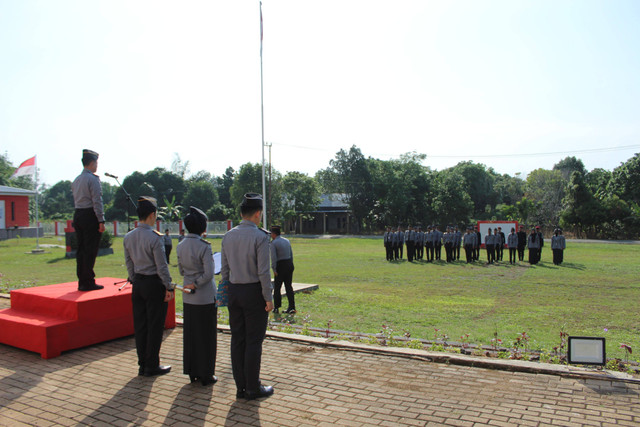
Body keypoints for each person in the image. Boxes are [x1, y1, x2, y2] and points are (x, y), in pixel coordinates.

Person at [221, 193, 274, 400]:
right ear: (257, 214)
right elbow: (263, 272)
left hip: (234, 290)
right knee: (253, 341)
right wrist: (268, 297)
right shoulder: (260, 237)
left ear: (242, 213)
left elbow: (224, 270)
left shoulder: (228, 236)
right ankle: (253, 386)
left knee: (238, 340)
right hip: (253, 293)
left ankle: (241, 386)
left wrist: (225, 295)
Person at [123, 197, 174, 377]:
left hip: (138, 283)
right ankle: (152, 364)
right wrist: (169, 286)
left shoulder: (128, 237)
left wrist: (134, 279)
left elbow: (129, 263)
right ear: (152, 215)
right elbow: (162, 266)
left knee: (141, 325)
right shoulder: (155, 238)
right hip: (154, 283)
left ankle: (142, 363)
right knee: (154, 325)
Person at [177, 207, 217, 386]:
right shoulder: (204, 247)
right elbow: (209, 274)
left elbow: (180, 270)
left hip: (188, 297)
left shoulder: (180, 245)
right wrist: (197, 282)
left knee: (191, 335)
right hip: (205, 297)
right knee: (207, 336)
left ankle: (192, 371)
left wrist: (191, 281)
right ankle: (206, 374)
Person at [71, 149, 105, 291]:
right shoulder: (93, 179)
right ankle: (88, 281)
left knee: (81, 249)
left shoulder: (76, 180)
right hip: (90, 215)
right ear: (92, 163)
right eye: (96, 162)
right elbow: (97, 201)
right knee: (90, 249)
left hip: (78, 214)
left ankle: (82, 280)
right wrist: (101, 220)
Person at [270, 225, 295, 314]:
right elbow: (291, 254)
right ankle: (292, 307)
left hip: (280, 265)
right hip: (289, 263)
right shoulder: (286, 241)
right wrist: (291, 264)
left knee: (277, 287)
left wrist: (274, 269)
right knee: (289, 286)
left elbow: (273, 257)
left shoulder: (274, 243)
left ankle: (276, 307)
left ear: (273, 234)